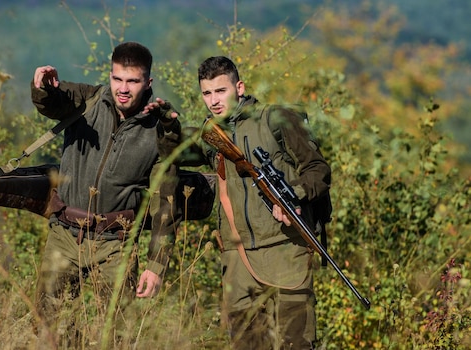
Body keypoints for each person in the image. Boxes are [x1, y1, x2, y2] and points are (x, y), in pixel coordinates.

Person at [30, 42, 181, 347]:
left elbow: (165, 200)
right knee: (48, 331)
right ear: (110, 75)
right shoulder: (88, 99)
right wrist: (43, 88)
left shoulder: (159, 130)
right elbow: (53, 101)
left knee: (113, 336)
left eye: (132, 81)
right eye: (117, 79)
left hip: (116, 244)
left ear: (148, 83)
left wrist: (156, 263)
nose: (122, 89)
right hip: (65, 236)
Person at [194, 56, 332, 349]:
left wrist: (293, 195)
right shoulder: (212, 135)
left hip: (285, 253)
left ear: (239, 87)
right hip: (237, 262)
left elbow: (318, 170)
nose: (214, 101)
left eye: (221, 91)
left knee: (296, 343)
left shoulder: (274, 118)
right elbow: (168, 155)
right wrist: (165, 128)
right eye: (207, 93)